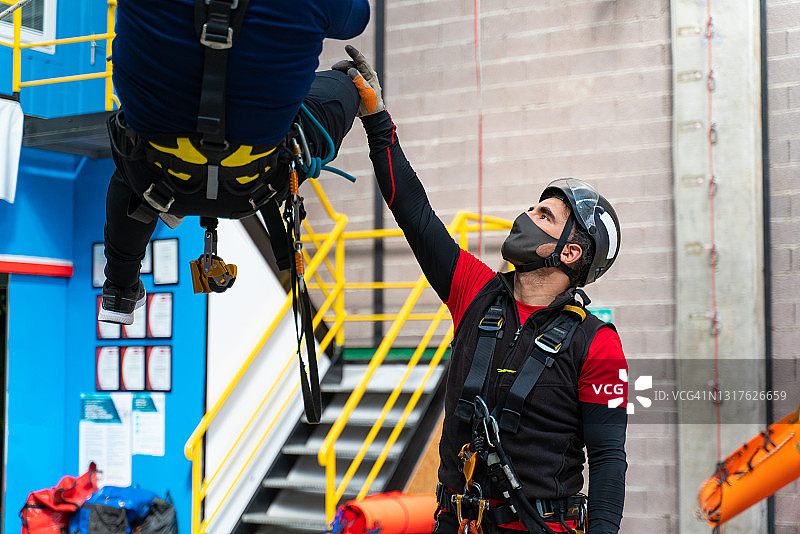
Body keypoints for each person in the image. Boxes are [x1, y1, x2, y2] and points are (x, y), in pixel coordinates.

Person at [334, 46, 627, 534]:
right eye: (534, 207)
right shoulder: (476, 291)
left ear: (570, 254)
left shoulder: (598, 345)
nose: (526, 216)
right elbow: (415, 214)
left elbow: (609, 461)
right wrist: (376, 119)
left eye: (545, 216)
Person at [99, 0, 370, 324]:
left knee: (128, 169)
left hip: (157, 173)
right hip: (257, 180)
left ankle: (120, 287)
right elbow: (357, 19)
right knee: (345, 82)